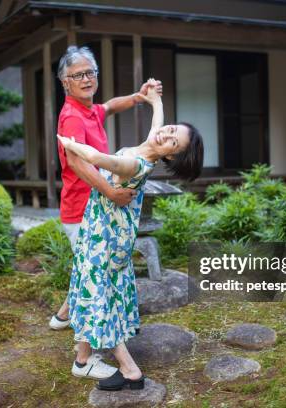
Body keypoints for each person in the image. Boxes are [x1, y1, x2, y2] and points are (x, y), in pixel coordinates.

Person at [58, 81, 204, 391]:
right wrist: (154, 99)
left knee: (98, 296)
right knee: (91, 289)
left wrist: (68, 143)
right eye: (172, 129)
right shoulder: (152, 145)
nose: (166, 134)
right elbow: (158, 125)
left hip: (105, 238)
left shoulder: (135, 163)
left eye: (172, 142)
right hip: (107, 232)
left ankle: (130, 370)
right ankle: (83, 360)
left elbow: (99, 160)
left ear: (168, 157)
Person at [49, 45, 163, 380]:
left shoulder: (88, 109)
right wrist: (111, 191)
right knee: (98, 283)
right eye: (77, 75)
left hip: (96, 209)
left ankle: (63, 316)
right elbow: (75, 161)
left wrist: (137, 98)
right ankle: (97, 359)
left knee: (88, 272)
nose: (86, 79)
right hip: (83, 209)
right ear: (64, 82)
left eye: (90, 72)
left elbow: (108, 107)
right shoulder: (71, 115)